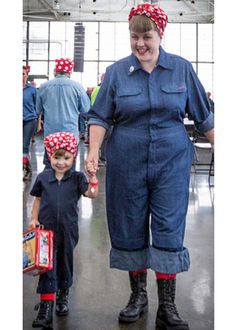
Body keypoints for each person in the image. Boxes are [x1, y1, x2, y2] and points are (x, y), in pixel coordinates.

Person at [85, 3, 214, 330]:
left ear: (160, 35)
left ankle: (167, 305)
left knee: (169, 226)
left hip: (171, 162)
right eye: (134, 37)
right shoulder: (116, 73)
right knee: (129, 223)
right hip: (126, 160)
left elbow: (204, 115)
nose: (140, 43)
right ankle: (138, 296)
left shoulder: (181, 69)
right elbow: (100, 116)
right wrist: (93, 151)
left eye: (147, 36)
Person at [28, 131, 98, 329]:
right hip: (46, 233)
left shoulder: (76, 179)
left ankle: (63, 294)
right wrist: (34, 218)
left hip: (68, 232)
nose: (61, 162)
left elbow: (91, 195)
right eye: (57, 157)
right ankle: (46, 307)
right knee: (47, 267)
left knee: (65, 264)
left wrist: (92, 178)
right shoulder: (43, 177)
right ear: (49, 155)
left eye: (66, 157)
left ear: (73, 156)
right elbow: (38, 199)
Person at [36, 57, 90, 168]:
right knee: (69, 166)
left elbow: (38, 109)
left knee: (50, 166)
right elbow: (86, 109)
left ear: (55, 71)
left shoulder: (44, 87)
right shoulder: (77, 87)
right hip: (70, 134)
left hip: (51, 135)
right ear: (69, 71)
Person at [23, 65, 38, 180]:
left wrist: (39, 123)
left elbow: (37, 107)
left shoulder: (32, 90)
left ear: (27, 75)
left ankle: (27, 170)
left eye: (23, 73)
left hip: (29, 120)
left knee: (24, 146)